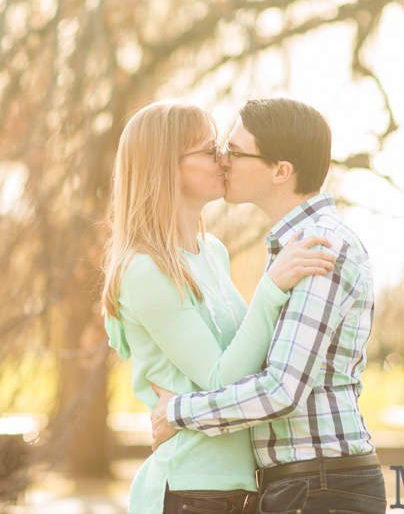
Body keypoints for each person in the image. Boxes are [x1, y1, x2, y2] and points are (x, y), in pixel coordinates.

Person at [149, 98, 385, 514]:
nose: (223, 159)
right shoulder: (293, 249)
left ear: (280, 170)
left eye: (236, 152)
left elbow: (281, 390)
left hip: (322, 484)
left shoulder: (321, 246)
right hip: (306, 483)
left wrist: (179, 411)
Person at [101, 101, 336, 514]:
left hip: (242, 488)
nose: (224, 158)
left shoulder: (213, 252)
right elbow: (218, 379)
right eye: (210, 151)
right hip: (191, 489)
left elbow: (258, 362)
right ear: (167, 166)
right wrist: (271, 287)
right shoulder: (144, 270)